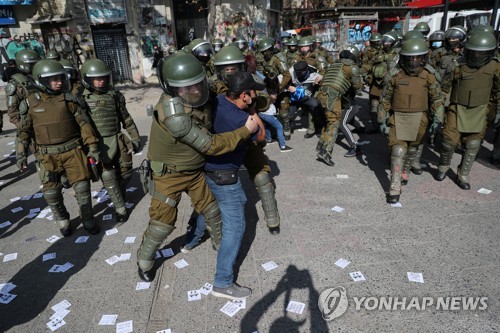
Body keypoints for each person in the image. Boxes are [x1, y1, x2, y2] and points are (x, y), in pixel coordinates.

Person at [136, 52, 258, 282]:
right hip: (169, 175)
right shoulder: (175, 116)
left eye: (197, 84)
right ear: (172, 89)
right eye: (186, 88)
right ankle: (145, 259)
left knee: (212, 211)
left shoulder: (201, 92)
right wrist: (245, 131)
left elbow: (223, 90)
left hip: (195, 171)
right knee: (162, 224)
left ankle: (222, 250)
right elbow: (210, 145)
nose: (194, 91)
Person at [16, 59, 101, 236]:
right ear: (41, 80)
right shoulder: (31, 103)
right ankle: (63, 219)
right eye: (53, 79)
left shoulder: (69, 99)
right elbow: (23, 131)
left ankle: (87, 219)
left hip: (73, 152)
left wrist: (92, 147)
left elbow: (84, 125)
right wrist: (21, 154)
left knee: (82, 189)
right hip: (47, 156)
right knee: (51, 193)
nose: (59, 82)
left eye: (60, 78)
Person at [204, 71, 265, 300]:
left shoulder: (220, 101)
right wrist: (253, 111)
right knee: (235, 227)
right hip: (225, 177)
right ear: (244, 95)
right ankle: (222, 282)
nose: (255, 95)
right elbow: (261, 136)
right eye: (253, 92)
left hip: (212, 171)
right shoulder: (241, 119)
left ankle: (190, 242)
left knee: (211, 211)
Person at [379, 38, 444, 203]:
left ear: (423, 58)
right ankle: (394, 187)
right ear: (403, 58)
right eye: (410, 58)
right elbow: (385, 99)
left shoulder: (429, 76)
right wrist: (382, 118)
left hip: (420, 118)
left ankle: (404, 171)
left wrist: (438, 117)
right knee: (398, 150)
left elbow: (436, 98)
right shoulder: (395, 75)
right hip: (398, 116)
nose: (413, 61)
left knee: (413, 149)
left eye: (417, 58)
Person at [435, 31, 500, 189]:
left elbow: (497, 92)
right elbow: (445, 88)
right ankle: (443, 166)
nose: (476, 56)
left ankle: (463, 174)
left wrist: (497, 110)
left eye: (481, 53)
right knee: (448, 142)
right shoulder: (457, 65)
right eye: (474, 52)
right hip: (457, 108)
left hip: (480, 110)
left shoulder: (495, 66)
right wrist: (440, 108)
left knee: (473, 145)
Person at [80, 59, 141, 221]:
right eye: (96, 78)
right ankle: (120, 208)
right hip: (97, 142)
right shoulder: (81, 99)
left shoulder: (114, 95)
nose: (100, 81)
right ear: (87, 79)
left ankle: (119, 194)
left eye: (103, 77)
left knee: (127, 173)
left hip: (118, 138)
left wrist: (135, 137)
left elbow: (125, 118)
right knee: (108, 176)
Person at [316, 45, 363, 166]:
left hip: (321, 94)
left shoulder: (334, 65)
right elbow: (358, 86)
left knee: (329, 121)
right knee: (335, 122)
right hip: (332, 96)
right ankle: (326, 152)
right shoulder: (351, 67)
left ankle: (321, 146)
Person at [257, 36, 292, 139]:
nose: (264, 54)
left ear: (271, 50)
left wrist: (279, 88)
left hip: (282, 88)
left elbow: (287, 75)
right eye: (262, 52)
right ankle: (272, 132)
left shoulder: (278, 60)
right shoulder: (264, 61)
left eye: (266, 51)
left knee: (283, 111)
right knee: (268, 111)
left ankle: (286, 130)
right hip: (270, 89)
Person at [6, 49, 41, 128]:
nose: (36, 66)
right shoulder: (15, 84)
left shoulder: (41, 77)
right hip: (31, 125)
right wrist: (24, 129)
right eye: (32, 64)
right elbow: (13, 113)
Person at [288, 60, 322, 139]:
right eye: (297, 73)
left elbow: (323, 81)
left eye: (300, 73)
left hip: (308, 97)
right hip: (295, 98)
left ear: (306, 70)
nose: (298, 74)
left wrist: (319, 83)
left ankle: (315, 128)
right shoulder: (291, 71)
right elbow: (281, 80)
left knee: (316, 109)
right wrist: (288, 86)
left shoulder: (315, 74)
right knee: (288, 113)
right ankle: (289, 127)